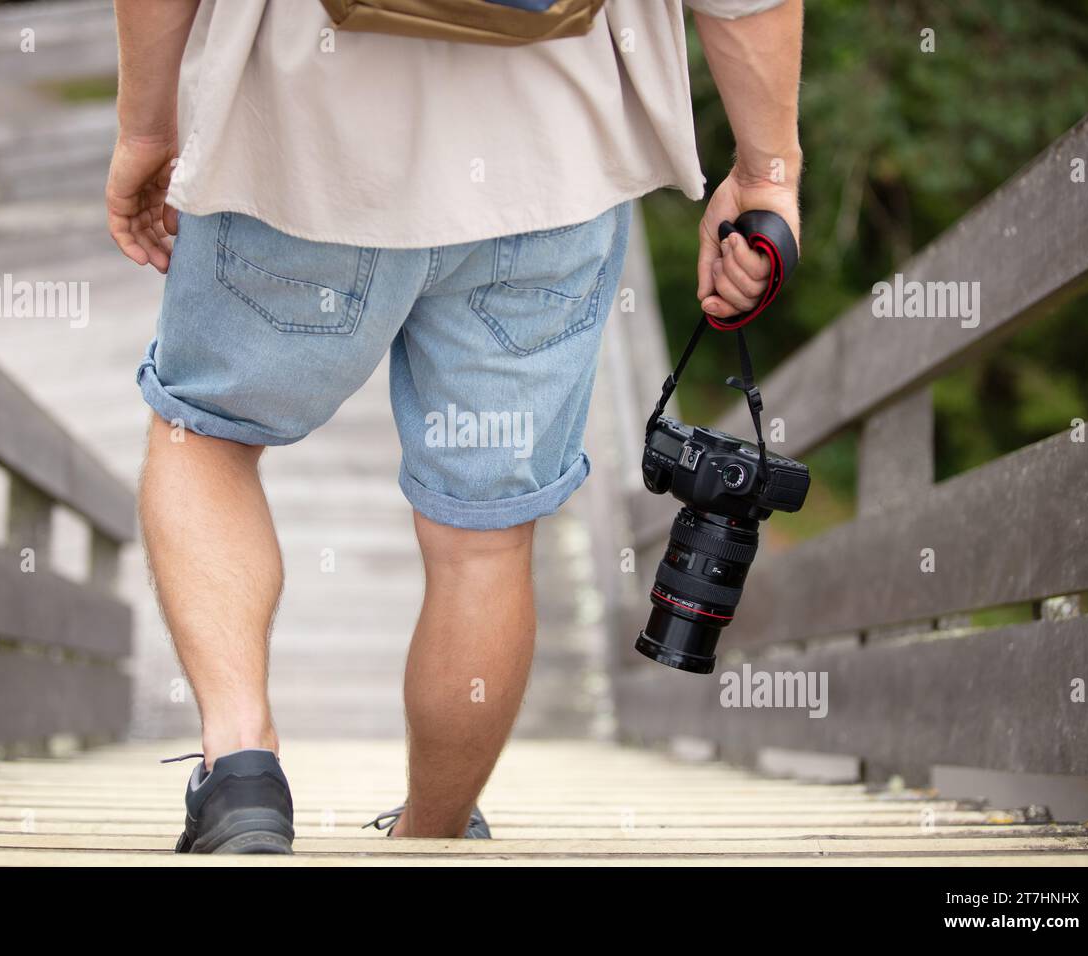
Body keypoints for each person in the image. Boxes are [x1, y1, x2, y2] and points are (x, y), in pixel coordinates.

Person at [106, 0, 802, 853]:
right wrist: (768, 174)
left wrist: (145, 128)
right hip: (553, 167)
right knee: (485, 536)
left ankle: (241, 769)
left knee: (204, 436)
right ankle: (431, 839)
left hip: (301, 144)